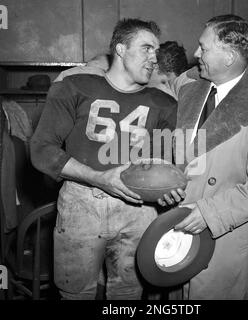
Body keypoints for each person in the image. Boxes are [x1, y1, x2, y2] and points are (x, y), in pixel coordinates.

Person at [30, 18, 182, 300]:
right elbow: (42, 149)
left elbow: (163, 164)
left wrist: (166, 190)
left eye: (156, 50)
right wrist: (99, 178)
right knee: (75, 293)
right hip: (82, 204)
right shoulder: (74, 86)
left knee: (128, 294)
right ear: (121, 49)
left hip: (138, 206)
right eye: (146, 48)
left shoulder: (165, 103)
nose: (154, 57)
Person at [166, 14, 248, 299]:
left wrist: (210, 214)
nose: (195, 54)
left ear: (229, 57)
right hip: (179, 237)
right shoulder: (190, 90)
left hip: (228, 243)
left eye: (204, 48)